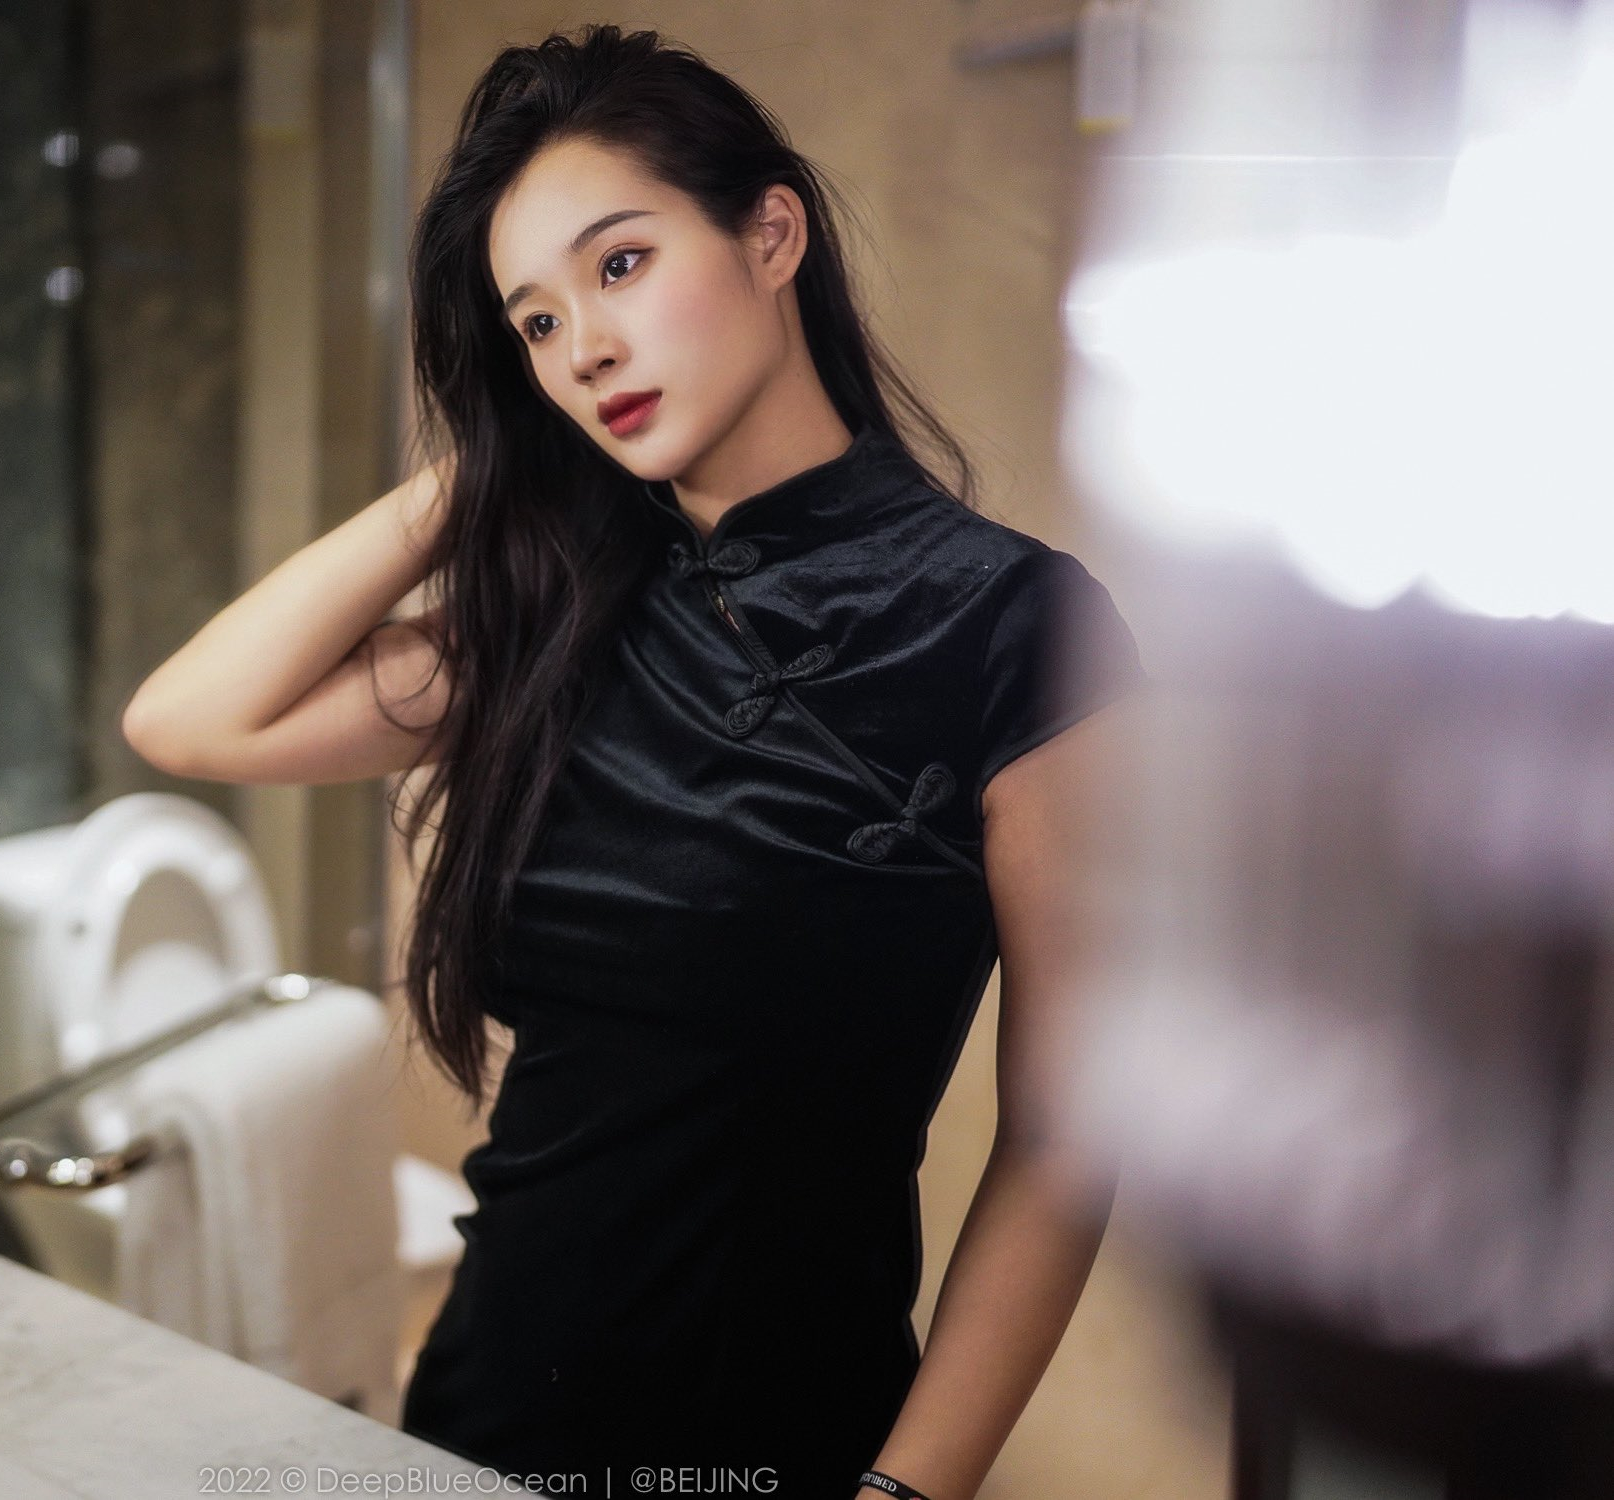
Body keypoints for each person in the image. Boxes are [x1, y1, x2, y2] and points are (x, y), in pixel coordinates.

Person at [122, 24, 1146, 1500]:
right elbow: (191, 720)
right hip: (481, 1423)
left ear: (770, 234)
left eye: (619, 265)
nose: (584, 349)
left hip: (789, 1443)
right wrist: (487, 458)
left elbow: (1063, 1142)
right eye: (535, 324)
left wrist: (905, 1493)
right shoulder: (563, 611)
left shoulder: (1011, 625)